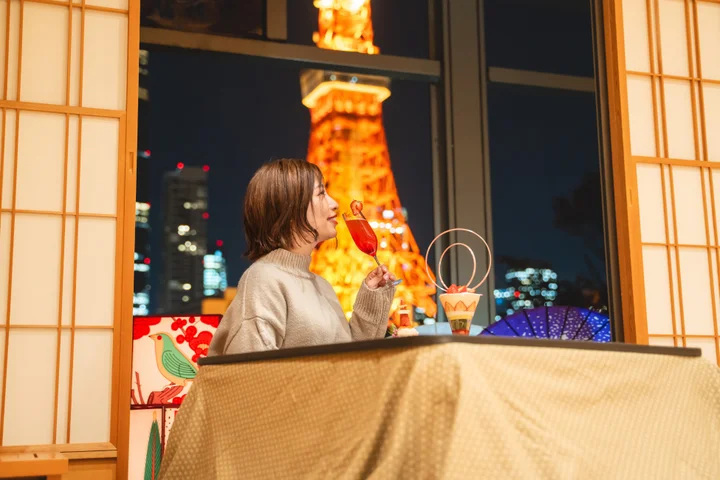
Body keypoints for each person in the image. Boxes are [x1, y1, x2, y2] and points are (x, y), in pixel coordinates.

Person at [208, 158, 397, 355]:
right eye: (321, 193)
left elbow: (348, 358)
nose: (334, 203)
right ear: (290, 210)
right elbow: (251, 371)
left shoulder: (322, 285)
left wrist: (372, 297)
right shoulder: (263, 279)